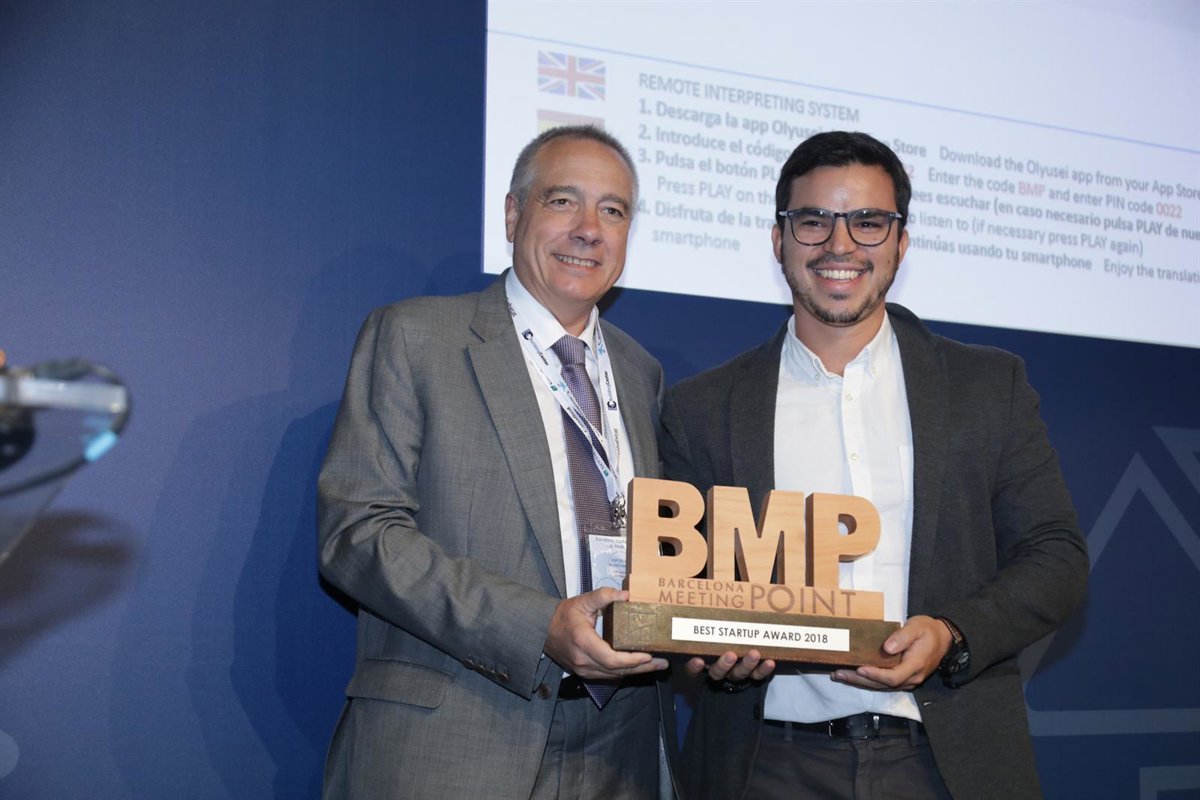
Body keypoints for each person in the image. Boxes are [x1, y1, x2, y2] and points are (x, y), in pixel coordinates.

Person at [660, 131, 1088, 800]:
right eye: (813, 221)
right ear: (778, 240)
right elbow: (679, 588)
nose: (840, 244)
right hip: (766, 764)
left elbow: (1056, 556)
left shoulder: (986, 387)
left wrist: (952, 634)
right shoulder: (703, 408)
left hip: (948, 760)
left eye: (867, 221)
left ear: (900, 242)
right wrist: (708, 649)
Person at [318, 125, 676, 799]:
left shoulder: (640, 372)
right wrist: (538, 626)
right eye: (563, 201)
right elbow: (358, 534)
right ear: (513, 215)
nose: (589, 229)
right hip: (458, 739)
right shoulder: (417, 337)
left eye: (613, 210)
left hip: (621, 749)